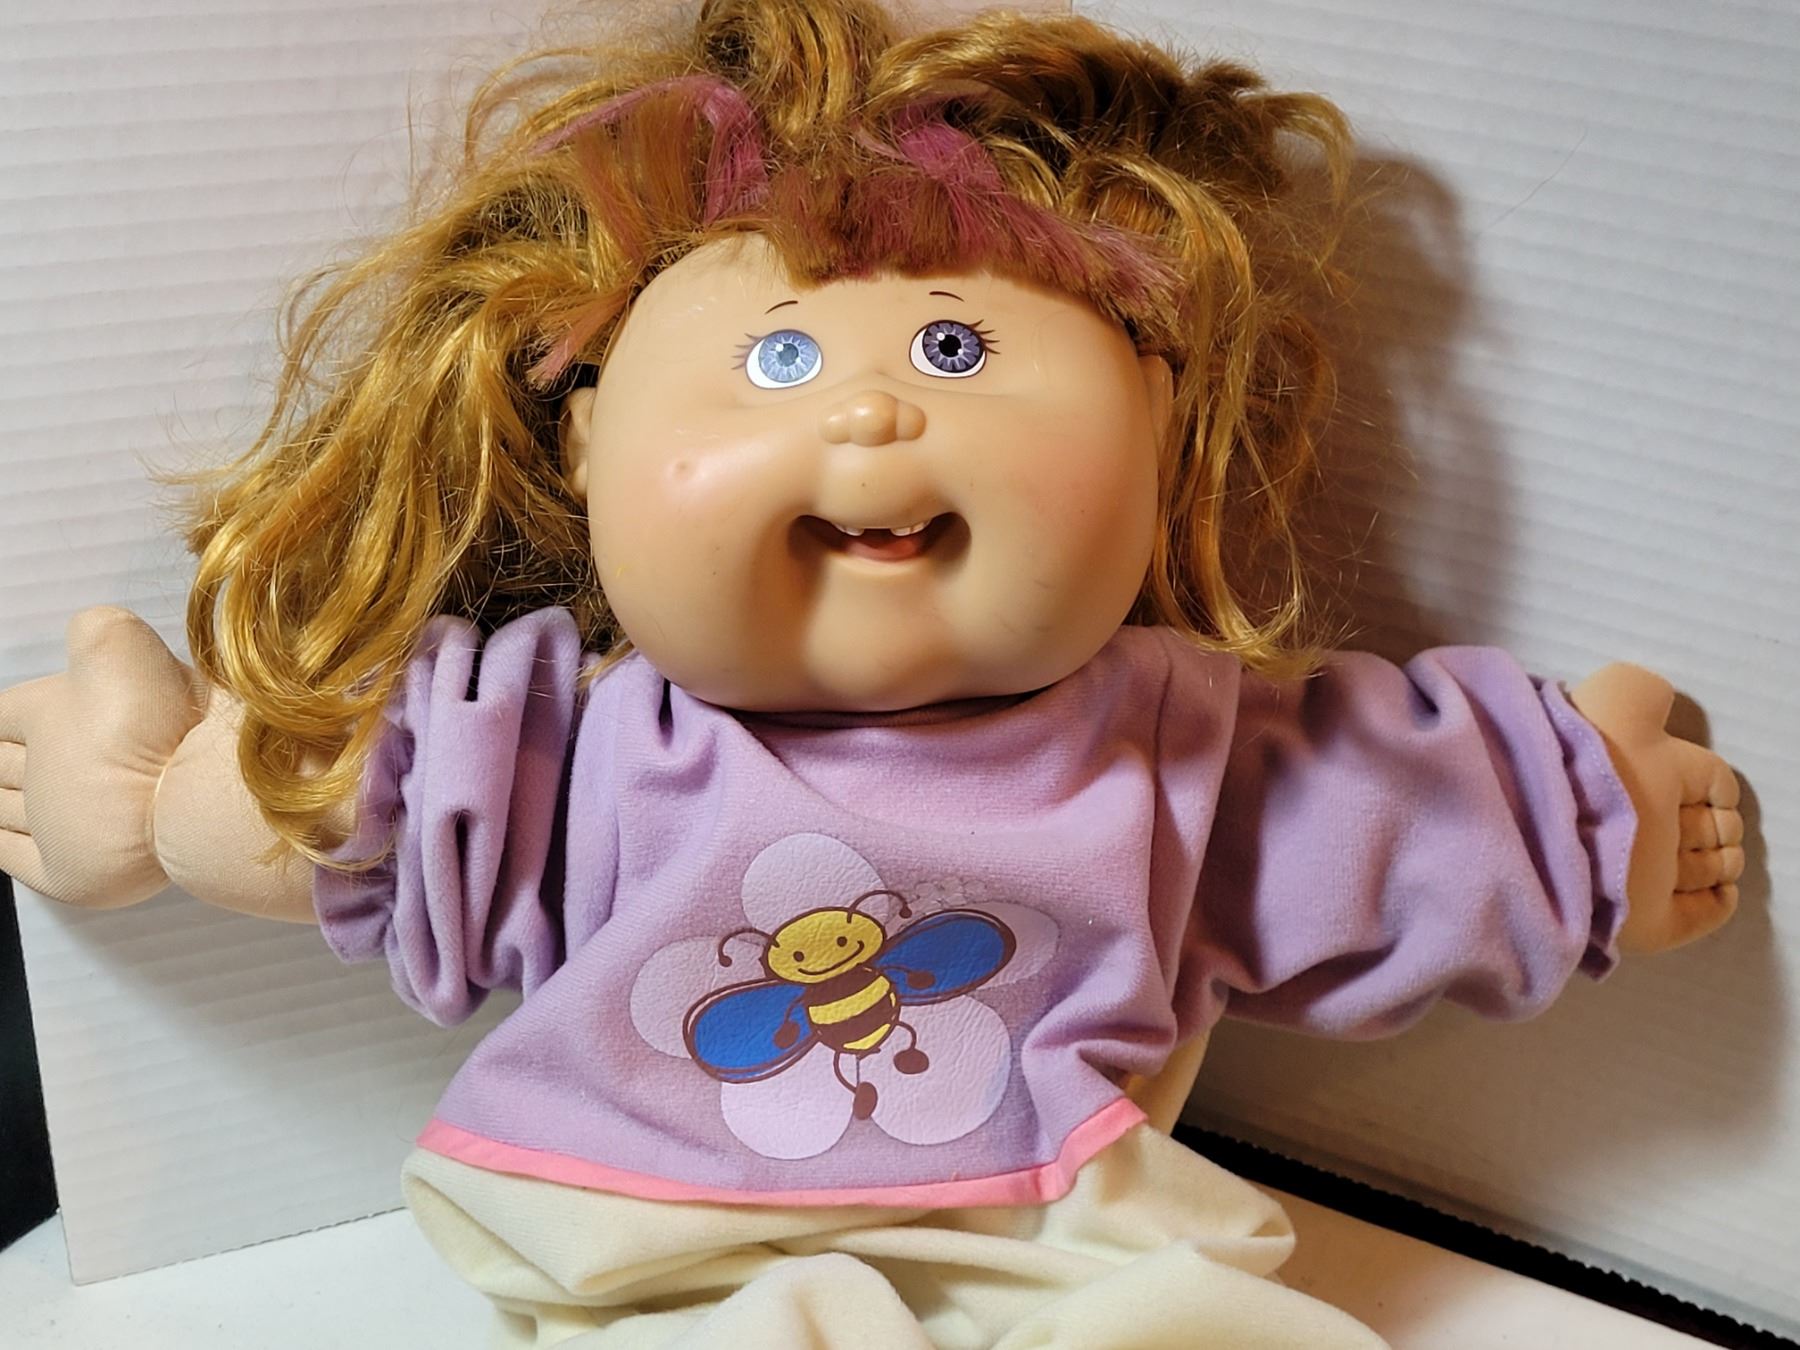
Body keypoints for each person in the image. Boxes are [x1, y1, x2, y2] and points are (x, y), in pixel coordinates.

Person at [0, 1, 1744, 1345]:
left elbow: (1379, 836)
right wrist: (149, 797)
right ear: (588, 446)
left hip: (1068, 1227)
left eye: (957, 346)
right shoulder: (589, 748)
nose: (870, 407)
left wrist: (1586, 818)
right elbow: (359, 809)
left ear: (1156, 422)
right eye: (776, 359)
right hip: (645, 1223)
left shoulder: (1172, 745)